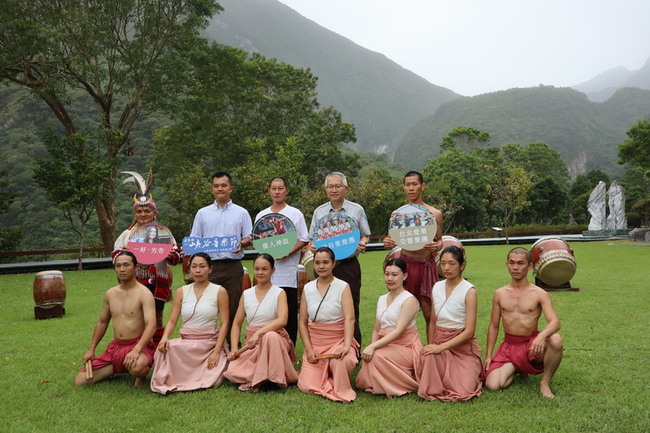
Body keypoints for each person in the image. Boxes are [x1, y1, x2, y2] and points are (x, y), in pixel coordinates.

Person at [484, 247, 563, 398]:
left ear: (530, 266)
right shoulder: (499, 294)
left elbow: (555, 322)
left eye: (520, 263)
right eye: (512, 263)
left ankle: (544, 383)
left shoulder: (540, 294)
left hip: (531, 344)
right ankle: (517, 368)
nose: (515, 267)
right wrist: (488, 356)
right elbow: (494, 325)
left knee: (556, 340)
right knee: (493, 385)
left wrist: (541, 336)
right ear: (507, 264)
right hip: (509, 346)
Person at [113, 172, 180, 346]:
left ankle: (158, 352)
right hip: (134, 283)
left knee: (156, 319)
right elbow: (115, 255)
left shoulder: (164, 234)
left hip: (157, 283)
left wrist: (172, 255)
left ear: (154, 213)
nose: (143, 214)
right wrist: (124, 254)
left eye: (147, 211)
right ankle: (138, 351)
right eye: (140, 211)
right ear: (135, 214)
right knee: (136, 318)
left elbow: (176, 256)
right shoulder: (127, 235)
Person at [150, 253, 230, 394]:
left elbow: (224, 324)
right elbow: (172, 320)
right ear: (189, 269)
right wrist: (164, 338)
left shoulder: (219, 291)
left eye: (202, 266)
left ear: (210, 269)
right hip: (187, 342)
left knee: (215, 380)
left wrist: (217, 352)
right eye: (194, 267)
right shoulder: (182, 291)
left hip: (209, 344)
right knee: (166, 349)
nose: (198, 270)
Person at [74, 251, 156, 387]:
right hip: (116, 347)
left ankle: (140, 374)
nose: (122, 269)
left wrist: (136, 349)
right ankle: (119, 367)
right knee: (81, 381)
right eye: (118, 266)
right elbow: (102, 322)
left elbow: (151, 325)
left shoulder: (144, 294)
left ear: (136, 268)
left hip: (139, 346)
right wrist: (91, 349)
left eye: (126, 265)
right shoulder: (110, 294)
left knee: (137, 368)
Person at [309, 172, 371, 345]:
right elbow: (312, 239)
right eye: (330, 186)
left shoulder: (356, 210)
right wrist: (313, 246)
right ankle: (326, 345)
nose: (334, 190)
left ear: (346, 188)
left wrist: (362, 243)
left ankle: (353, 349)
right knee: (325, 307)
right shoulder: (319, 211)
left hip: (348, 266)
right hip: (324, 267)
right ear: (325, 189)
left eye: (337, 186)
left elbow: (366, 235)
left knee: (351, 308)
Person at [190, 170, 253, 340]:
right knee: (207, 307)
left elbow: (249, 237)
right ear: (212, 189)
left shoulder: (241, 212)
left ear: (230, 188)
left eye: (224, 185)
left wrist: (242, 243)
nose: (220, 189)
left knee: (233, 307)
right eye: (216, 186)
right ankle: (207, 343)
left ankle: (232, 343)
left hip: (233, 267)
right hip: (209, 267)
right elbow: (195, 239)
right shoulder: (203, 213)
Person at [224, 254, 298, 391]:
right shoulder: (247, 294)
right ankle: (264, 376)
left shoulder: (279, 292)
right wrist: (234, 348)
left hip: (276, 340)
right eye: (257, 269)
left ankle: (274, 379)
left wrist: (259, 332)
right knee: (233, 372)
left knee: (271, 336)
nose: (260, 272)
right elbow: (236, 324)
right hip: (252, 345)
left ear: (273, 270)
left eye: (264, 269)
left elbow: (282, 320)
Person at [417, 246, 483, 401]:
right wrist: (433, 345)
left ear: (462, 265)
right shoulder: (437, 286)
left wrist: (440, 347)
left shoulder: (469, 291)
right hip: (439, 341)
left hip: (462, 347)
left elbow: (469, 332)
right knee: (428, 366)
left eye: (452, 263)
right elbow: (433, 321)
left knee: (464, 390)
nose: (446, 267)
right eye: (443, 263)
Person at [297, 246, 359, 402]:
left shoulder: (343, 286)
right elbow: (303, 323)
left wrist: (345, 346)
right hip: (316, 344)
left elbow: (350, 319)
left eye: (325, 262)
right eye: (317, 263)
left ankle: (335, 373)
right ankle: (328, 374)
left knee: (344, 361)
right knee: (307, 385)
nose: (321, 266)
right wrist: (309, 349)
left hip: (338, 340)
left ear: (334, 263)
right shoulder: (308, 288)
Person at [383, 171, 443, 330]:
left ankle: (431, 350)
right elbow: (390, 240)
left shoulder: (434, 214)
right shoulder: (397, 215)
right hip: (405, 264)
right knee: (401, 310)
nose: (411, 188)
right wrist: (387, 242)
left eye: (414, 184)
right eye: (407, 185)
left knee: (430, 313)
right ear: (404, 187)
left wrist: (436, 246)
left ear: (422, 186)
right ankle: (404, 349)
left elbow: (440, 241)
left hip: (426, 264)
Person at [355, 258, 422, 397]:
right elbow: (376, 329)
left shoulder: (409, 300)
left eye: (394, 274)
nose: (390, 278)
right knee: (372, 357)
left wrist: (374, 348)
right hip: (385, 343)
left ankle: (403, 385)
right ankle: (378, 381)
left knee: (376, 356)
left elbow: (398, 331)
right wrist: (373, 345)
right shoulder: (382, 298)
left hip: (405, 346)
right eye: (387, 274)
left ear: (404, 276)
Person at [254, 177, 309, 344]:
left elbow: (304, 239)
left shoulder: (295, 213)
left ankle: (289, 350)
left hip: (287, 275)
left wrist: (287, 252)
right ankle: (266, 347)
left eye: (280, 188)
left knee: (289, 315)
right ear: (269, 191)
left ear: (286, 190)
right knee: (267, 313)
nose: (277, 192)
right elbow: (259, 240)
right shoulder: (262, 215)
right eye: (273, 188)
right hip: (267, 275)